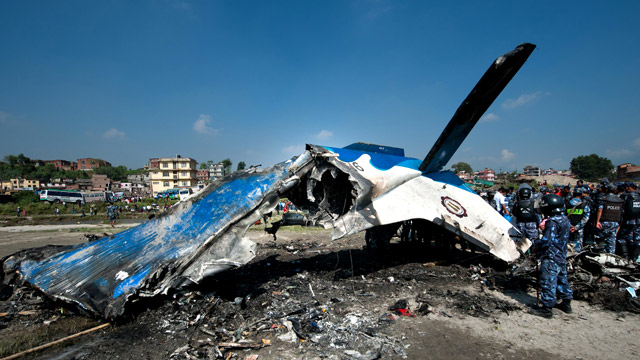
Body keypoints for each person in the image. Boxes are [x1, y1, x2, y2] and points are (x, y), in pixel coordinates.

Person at [531, 194, 573, 318]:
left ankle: (547, 308)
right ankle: (566, 303)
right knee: (562, 279)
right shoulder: (565, 219)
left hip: (551, 255)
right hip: (561, 254)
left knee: (548, 281)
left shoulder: (552, 222)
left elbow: (547, 241)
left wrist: (536, 244)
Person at [595, 184, 623, 254]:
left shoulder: (604, 199)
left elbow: (600, 210)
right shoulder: (619, 200)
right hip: (615, 222)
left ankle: (601, 255)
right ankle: (611, 256)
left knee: (601, 240)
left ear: (607, 190)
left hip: (605, 222)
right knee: (612, 241)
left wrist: (597, 221)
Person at [619, 183, 640, 261]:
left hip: (627, 222)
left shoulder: (625, 196)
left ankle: (625, 257)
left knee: (622, 238)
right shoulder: (639, 195)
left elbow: (622, 210)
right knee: (637, 239)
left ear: (629, 188)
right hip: (638, 222)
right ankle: (634, 257)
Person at [566, 188, 590, 253]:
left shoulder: (566, 204)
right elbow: (586, 218)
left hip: (568, 228)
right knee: (578, 247)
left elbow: (563, 217)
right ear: (582, 195)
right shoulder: (584, 205)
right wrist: (576, 227)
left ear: (573, 194)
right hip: (579, 229)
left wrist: (570, 226)